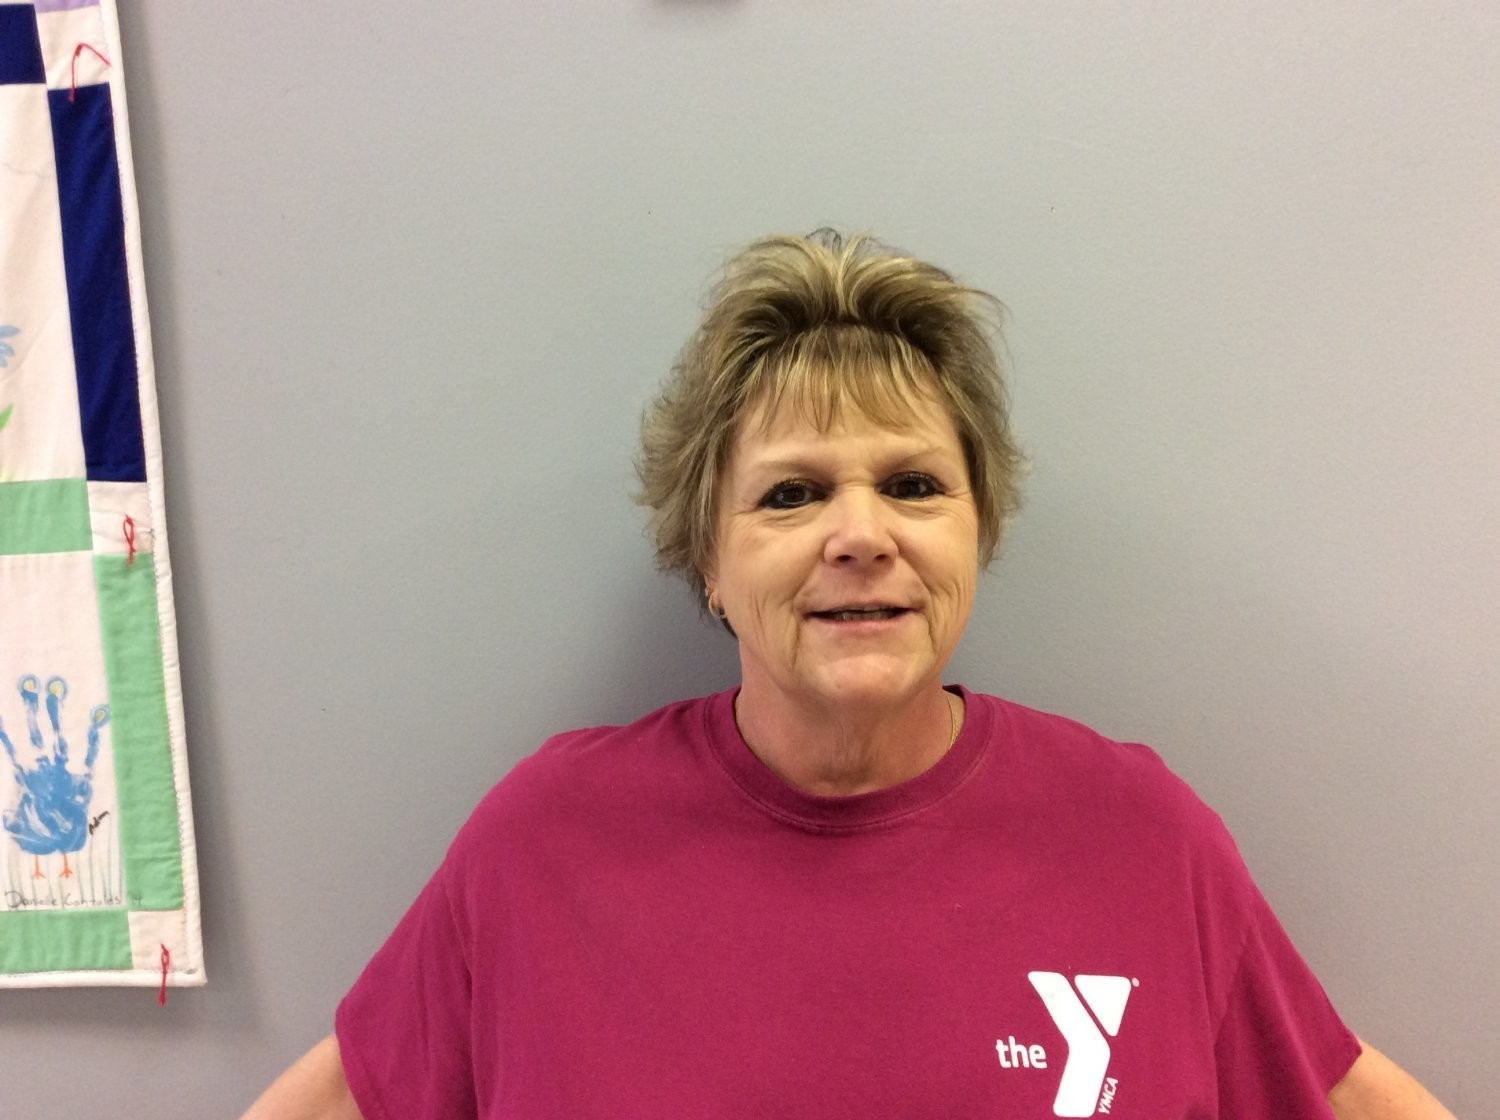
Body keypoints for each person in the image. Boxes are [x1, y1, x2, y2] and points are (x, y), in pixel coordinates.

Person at [244, 231, 1454, 1119]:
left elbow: (1344, 1091)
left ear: (976, 533)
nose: (861, 533)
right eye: (791, 493)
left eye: (915, 485)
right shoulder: (540, 844)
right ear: (708, 560)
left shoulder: (1144, 837)